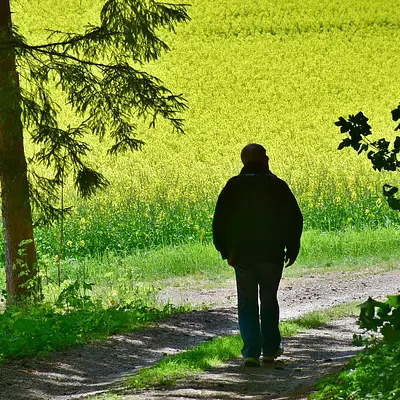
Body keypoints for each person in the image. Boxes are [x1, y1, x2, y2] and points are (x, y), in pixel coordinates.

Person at [212, 143, 303, 367]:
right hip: (271, 254)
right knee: (269, 300)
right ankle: (270, 349)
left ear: (244, 161)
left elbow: (220, 221)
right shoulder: (277, 186)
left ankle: (251, 351)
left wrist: (225, 251)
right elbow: (294, 219)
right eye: (265, 155)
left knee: (246, 302)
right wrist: (292, 248)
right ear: (262, 160)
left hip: (242, 255)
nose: (268, 157)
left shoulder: (233, 186)